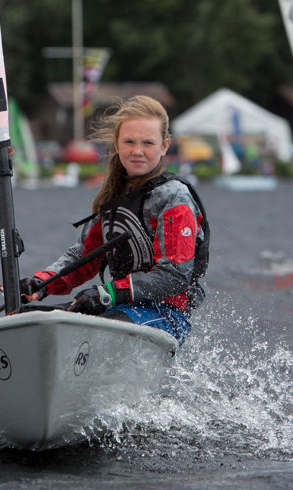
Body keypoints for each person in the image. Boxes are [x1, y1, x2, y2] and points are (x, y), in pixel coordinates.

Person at [20, 95, 208, 345]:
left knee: (105, 329)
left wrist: (107, 293)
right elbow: (84, 258)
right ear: (117, 144)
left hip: (167, 314)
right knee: (30, 318)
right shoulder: (115, 198)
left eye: (148, 143)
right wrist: (43, 283)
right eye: (129, 142)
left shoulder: (175, 198)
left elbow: (174, 275)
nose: (137, 151)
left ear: (164, 146)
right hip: (119, 306)